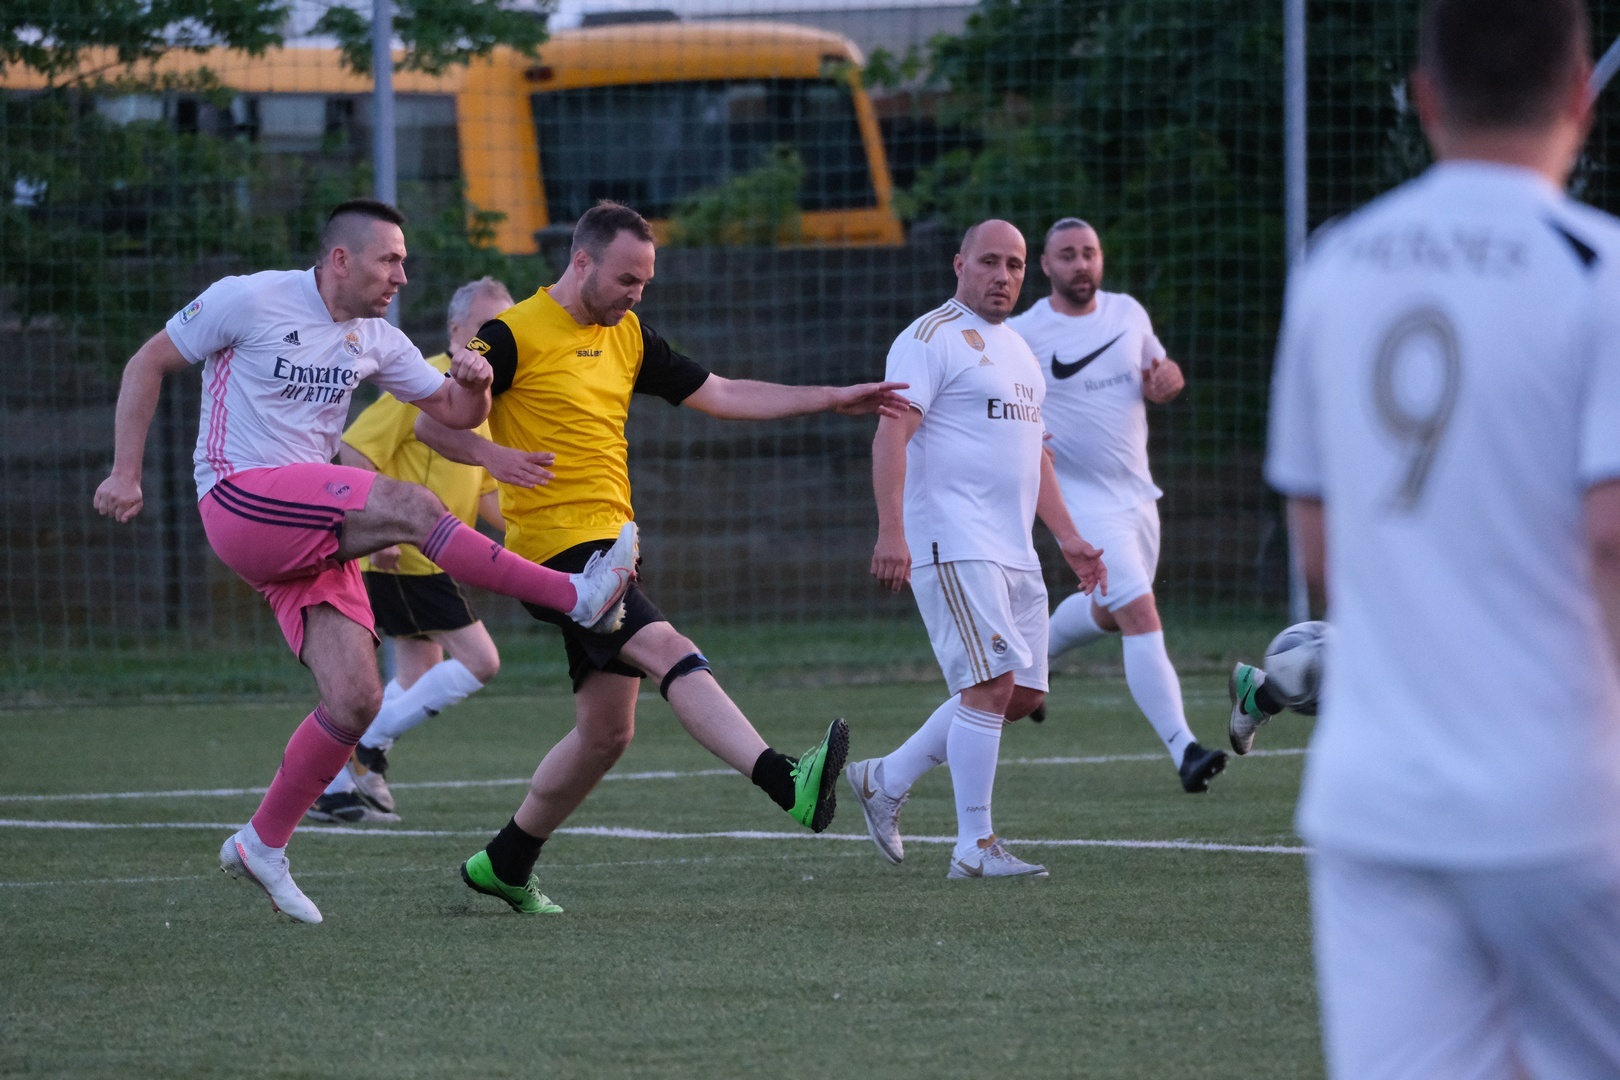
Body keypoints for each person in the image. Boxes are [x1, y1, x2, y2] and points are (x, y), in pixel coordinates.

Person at [92, 200, 637, 925]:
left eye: (405, 262)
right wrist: (125, 472)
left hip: (305, 527)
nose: (402, 277)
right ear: (341, 260)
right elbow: (148, 360)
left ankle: (262, 842)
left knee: (356, 700)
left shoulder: (376, 338)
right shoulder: (248, 299)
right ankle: (572, 595)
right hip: (239, 497)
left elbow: (455, 411)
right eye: (390, 261)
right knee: (410, 505)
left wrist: (476, 383)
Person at [1266, 0, 1620, 1073]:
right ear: (1580, 97)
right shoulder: (1598, 268)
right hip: (1561, 799)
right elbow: (1610, 541)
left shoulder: (1335, 265)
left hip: (1376, 804)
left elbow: (1322, 556)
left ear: (1424, 98)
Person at [415, 200, 911, 915]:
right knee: (668, 648)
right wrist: (491, 449)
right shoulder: (512, 334)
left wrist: (831, 398)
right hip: (558, 556)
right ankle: (786, 781)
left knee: (606, 734)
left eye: (644, 282)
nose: (636, 294)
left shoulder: (628, 336)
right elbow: (433, 425)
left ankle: (505, 861)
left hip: (612, 548)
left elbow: (724, 392)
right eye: (626, 279)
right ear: (581, 262)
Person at [844, 219, 1107, 879]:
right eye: (989, 262)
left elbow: (1035, 454)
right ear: (960, 265)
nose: (1003, 276)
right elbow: (890, 435)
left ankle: (885, 778)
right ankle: (974, 846)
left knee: (1021, 694)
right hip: (953, 539)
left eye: (1014, 265)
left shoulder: (1018, 349)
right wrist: (891, 530)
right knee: (988, 684)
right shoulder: (928, 338)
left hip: (1014, 549)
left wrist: (1069, 537)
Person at [1007, 219, 1228, 793]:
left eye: (1090, 253)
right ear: (1046, 266)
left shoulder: (1129, 312)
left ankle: (1031, 662)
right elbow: (999, 405)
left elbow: (1160, 375)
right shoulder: (1024, 334)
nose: (1081, 264)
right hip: (1081, 503)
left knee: (1108, 613)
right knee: (1138, 614)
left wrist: (1169, 380)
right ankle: (1185, 749)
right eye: (1067, 255)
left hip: (1138, 498)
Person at [306, 276, 518, 824]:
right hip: (409, 556)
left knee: (421, 676)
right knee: (481, 662)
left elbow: (488, 499)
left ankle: (334, 787)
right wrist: (378, 529)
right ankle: (364, 747)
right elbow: (354, 450)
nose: (496, 338)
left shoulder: (488, 400)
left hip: (431, 558)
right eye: (485, 328)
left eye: (505, 328)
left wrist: (542, 536)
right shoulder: (427, 382)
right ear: (455, 330)